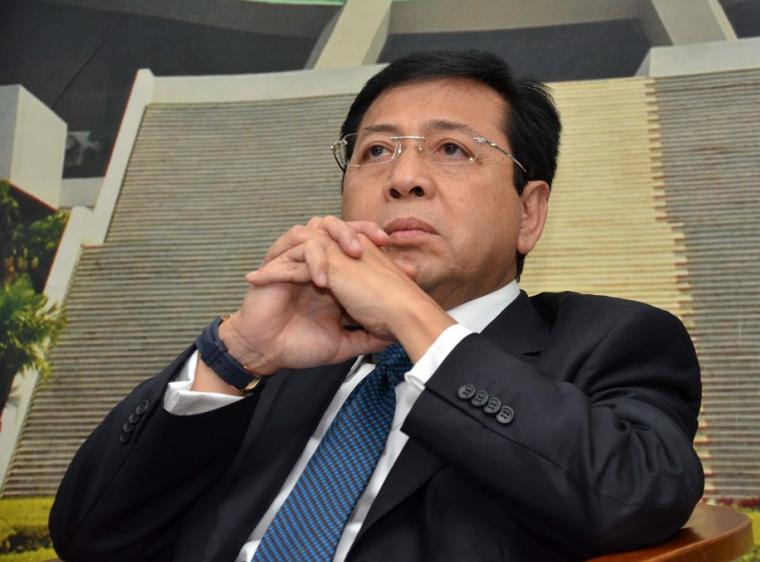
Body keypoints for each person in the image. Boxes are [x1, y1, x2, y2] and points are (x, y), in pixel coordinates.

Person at [49, 50, 703, 562]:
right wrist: (235, 354)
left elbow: (636, 493)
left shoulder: (613, 341)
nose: (403, 178)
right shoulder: (279, 362)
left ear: (529, 213)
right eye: (376, 151)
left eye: (451, 149)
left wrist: (411, 319)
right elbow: (89, 535)